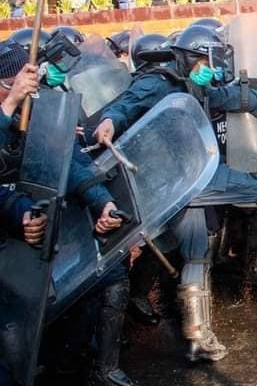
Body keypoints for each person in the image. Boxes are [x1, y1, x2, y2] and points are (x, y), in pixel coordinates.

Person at [94, 25, 257, 361]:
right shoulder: (158, 81)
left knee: (195, 253)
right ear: (189, 57)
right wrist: (110, 120)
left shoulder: (195, 84)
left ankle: (196, 337)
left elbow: (230, 97)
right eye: (206, 62)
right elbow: (125, 105)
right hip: (175, 180)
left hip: (192, 177)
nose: (211, 69)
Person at [0, 56, 135, 386]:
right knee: (12, 340)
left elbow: (68, 162)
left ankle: (80, 366)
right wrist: (9, 104)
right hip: (8, 242)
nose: (25, 90)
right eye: (13, 84)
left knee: (106, 275)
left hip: (36, 226)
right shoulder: (11, 109)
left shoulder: (34, 113)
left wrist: (103, 202)